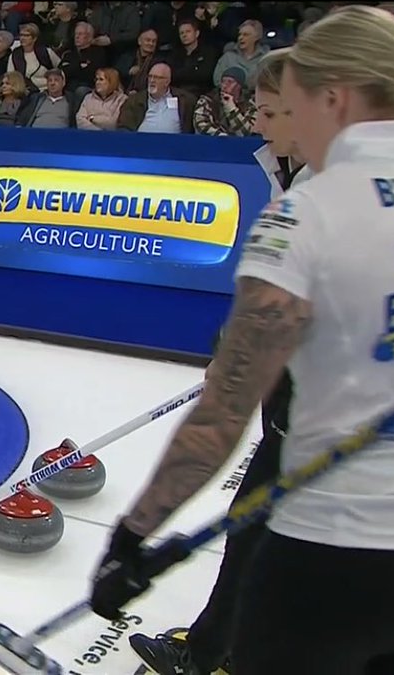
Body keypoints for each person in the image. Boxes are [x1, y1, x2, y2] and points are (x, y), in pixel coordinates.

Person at [88, 6, 394, 674]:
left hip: (330, 553)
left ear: (335, 97)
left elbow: (223, 415)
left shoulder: (308, 213)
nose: (284, 130)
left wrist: (134, 534)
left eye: (293, 108)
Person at [127, 47, 313, 675]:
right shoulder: (288, 165)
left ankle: (217, 653)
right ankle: (224, 646)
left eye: (266, 111)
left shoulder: (330, 184)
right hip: (296, 378)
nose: (256, 124)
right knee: (269, 522)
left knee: (259, 520)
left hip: (320, 391)